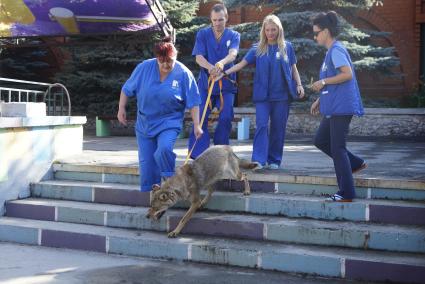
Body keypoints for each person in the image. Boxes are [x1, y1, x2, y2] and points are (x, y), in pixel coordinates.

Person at [216, 14, 304, 169]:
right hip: (263, 97)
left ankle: (274, 160)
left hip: (282, 96)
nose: (270, 33)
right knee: (262, 125)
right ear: (264, 30)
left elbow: (293, 68)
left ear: (279, 30)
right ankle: (259, 160)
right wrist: (224, 72)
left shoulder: (287, 47)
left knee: (278, 128)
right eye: (268, 30)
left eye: (273, 30)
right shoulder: (257, 48)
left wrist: (299, 84)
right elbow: (242, 64)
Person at [117, 37, 203, 192]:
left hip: (169, 121)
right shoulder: (144, 68)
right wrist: (121, 108)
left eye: (169, 60)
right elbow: (126, 89)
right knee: (147, 164)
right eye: (161, 61)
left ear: (175, 56)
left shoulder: (183, 73)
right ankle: (155, 199)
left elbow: (194, 101)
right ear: (156, 58)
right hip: (145, 123)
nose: (166, 65)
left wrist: (197, 125)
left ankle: (170, 180)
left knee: (163, 149)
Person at [310, 11, 367, 202]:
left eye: (317, 32)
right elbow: (336, 81)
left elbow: (347, 74)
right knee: (321, 140)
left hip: (342, 107)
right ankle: (354, 163)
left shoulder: (336, 50)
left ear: (326, 31)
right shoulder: (331, 52)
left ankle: (346, 193)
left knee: (338, 149)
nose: (315, 36)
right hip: (335, 106)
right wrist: (321, 99)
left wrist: (323, 82)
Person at [188, 3, 240, 158]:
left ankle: (220, 153)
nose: (218, 23)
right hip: (206, 85)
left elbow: (233, 54)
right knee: (201, 117)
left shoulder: (234, 35)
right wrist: (211, 68)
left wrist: (221, 64)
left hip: (226, 85)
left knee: (225, 117)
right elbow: (198, 57)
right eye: (215, 20)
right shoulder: (202, 34)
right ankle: (198, 155)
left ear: (226, 19)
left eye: (221, 20)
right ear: (211, 20)